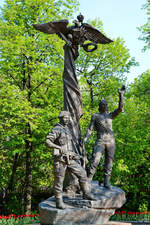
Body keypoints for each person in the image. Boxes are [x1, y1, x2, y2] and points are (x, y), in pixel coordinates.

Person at [46, 111, 96, 209]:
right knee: (59, 181)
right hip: (60, 160)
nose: (67, 119)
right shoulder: (57, 129)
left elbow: (68, 146)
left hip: (70, 159)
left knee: (82, 173)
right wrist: (58, 147)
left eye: (68, 117)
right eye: (65, 117)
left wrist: (75, 155)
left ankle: (86, 193)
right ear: (60, 118)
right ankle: (59, 202)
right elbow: (47, 141)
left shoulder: (67, 130)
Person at [83, 86, 125, 189]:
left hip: (111, 141)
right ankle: (88, 180)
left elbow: (120, 108)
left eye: (105, 104)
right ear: (99, 106)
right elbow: (90, 129)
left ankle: (107, 182)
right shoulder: (95, 116)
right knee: (95, 160)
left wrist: (121, 95)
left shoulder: (111, 115)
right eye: (102, 104)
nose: (104, 105)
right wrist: (85, 139)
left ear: (107, 106)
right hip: (100, 140)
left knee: (109, 161)